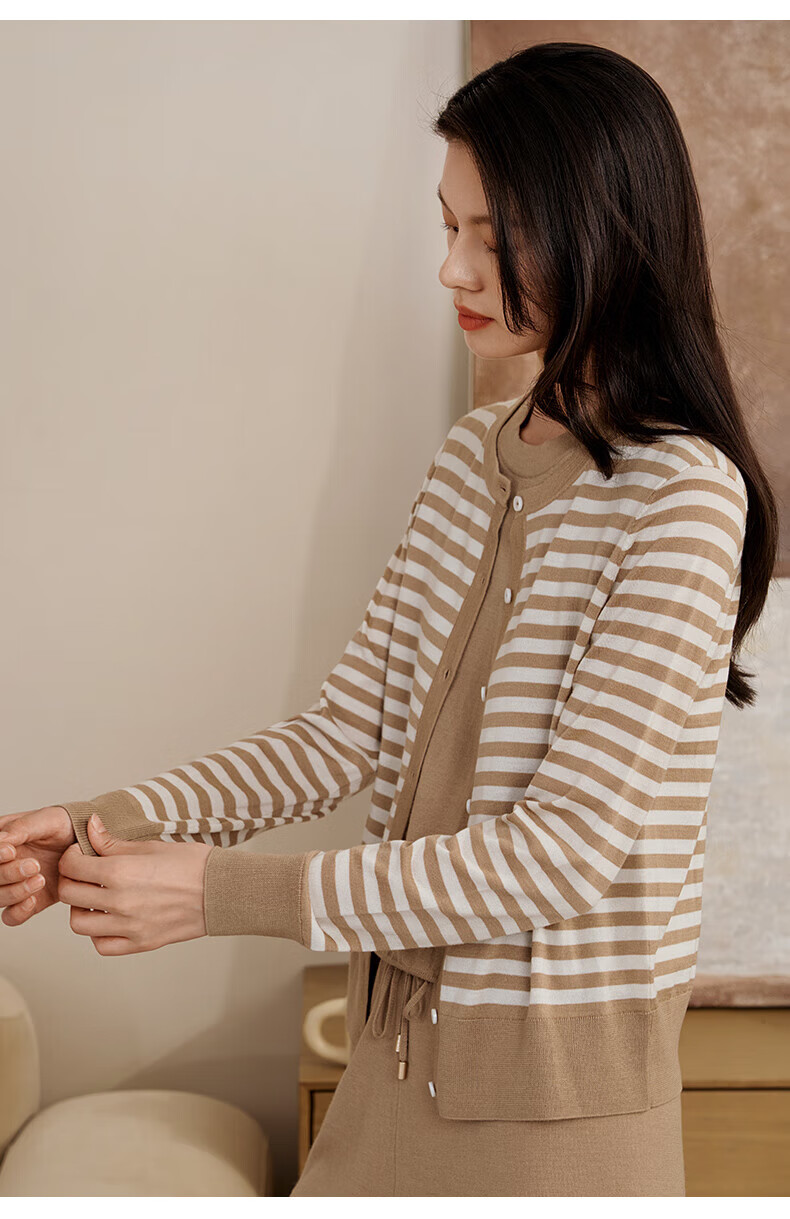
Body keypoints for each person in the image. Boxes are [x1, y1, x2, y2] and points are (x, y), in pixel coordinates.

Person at [0, 41, 779, 1196]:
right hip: (386, 1076)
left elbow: (558, 855)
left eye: (492, 238)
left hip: (555, 1130)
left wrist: (216, 892)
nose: (451, 268)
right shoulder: (471, 458)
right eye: (447, 226)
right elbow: (339, 737)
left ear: (601, 231)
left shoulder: (683, 498)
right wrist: (102, 822)